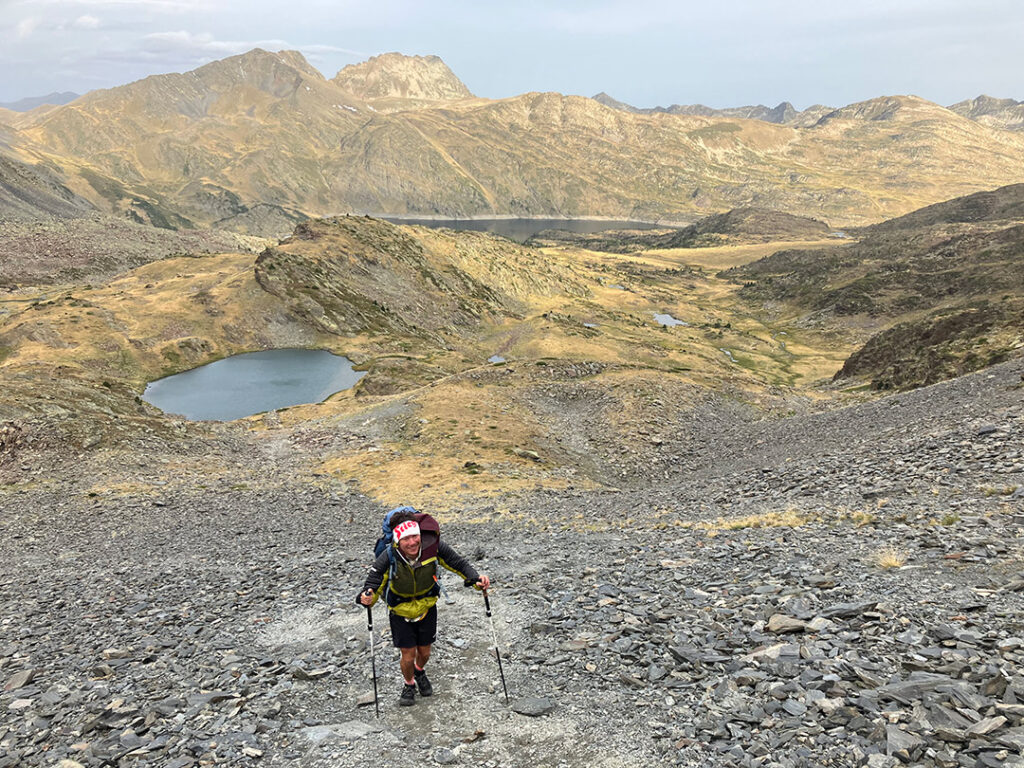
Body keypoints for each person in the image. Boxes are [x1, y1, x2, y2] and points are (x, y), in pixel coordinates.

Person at [357, 511, 490, 707]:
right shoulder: (389, 556)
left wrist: (476, 580)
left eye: (414, 536)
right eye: (406, 538)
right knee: (408, 655)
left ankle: (420, 671)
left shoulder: (432, 547)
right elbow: (374, 582)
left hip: (427, 605)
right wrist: (367, 597)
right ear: (397, 540)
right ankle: (409, 684)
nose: (412, 543)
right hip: (400, 609)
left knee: (425, 652)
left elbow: (457, 563)